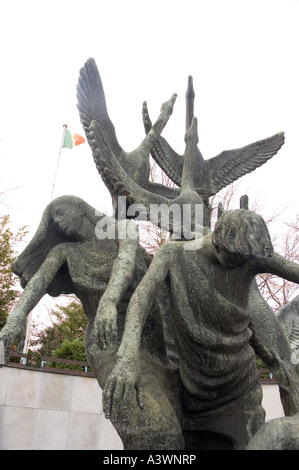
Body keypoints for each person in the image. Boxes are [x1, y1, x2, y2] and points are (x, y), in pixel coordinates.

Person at [101, 208, 299, 449]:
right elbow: (141, 298)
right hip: (193, 389)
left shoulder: (250, 257)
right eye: (237, 260)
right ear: (218, 245)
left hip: (239, 385)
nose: (243, 267)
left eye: (248, 261)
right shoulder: (174, 254)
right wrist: (128, 356)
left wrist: (273, 359)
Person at [0, 195, 184, 450]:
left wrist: (109, 298)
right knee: (156, 433)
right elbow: (38, 283)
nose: (60, 222)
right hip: (107, 341)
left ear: (81, 210)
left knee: (184, 425)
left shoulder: (123, 229)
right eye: (54, 220)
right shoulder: (63, 252)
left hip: (155, 342)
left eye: (62, 213)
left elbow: (125, 261)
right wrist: (15, 319)